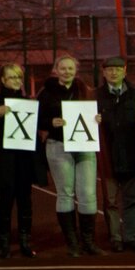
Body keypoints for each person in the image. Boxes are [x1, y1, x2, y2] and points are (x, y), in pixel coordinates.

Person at [37, 53, 101, 256]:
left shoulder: (85, 90)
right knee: (65, 194)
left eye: (70, 68)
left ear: (76, 70)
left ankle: (88, 242)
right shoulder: (45, 93)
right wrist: (50, 123)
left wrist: (98, 118)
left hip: (84, 146)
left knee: (88, 194)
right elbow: (35, 119)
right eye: (63, 68)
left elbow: (93, 112)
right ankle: (72, 243)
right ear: (56, 70)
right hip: (58, 145)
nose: (67, 72)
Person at [0, 62, 44, 258]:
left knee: (26, 202)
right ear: (3, 80)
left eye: (18, 77)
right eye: (12, 77)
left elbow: (36, 129)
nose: (16, 81)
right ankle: (5, 244)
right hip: (5, 159)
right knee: (5, 201)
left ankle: (25, 242)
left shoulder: (29, 102)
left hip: (25, 159)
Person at [96, 55, 135, 252]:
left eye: (118, 69)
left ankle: (130, 237)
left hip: (131, 154)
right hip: (108, 157)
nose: (114, 72)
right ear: (104, 72)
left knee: (131, 199)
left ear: (125, 71)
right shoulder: (96, 96)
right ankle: (115, 238)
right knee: (111, 202)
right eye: (109, 69)